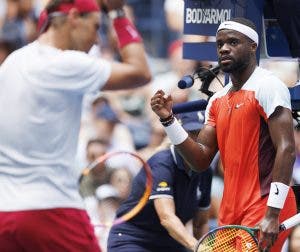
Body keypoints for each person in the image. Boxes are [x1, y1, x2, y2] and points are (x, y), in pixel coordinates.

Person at [0, 0, 151, 251]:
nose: (96, 40)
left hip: (4, 214)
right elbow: (140, 71)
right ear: (73, 18)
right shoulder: (65, 63)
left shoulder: (12, 62)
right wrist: (117, 13)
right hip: (50, 211)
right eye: (94, 27)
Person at [150, 17, 297, 252]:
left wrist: (273, 212)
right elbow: (200, 160)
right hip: (231, 211)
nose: (224, 48)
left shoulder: (268, 86)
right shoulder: (217, 100)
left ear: (252, 46)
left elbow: (287, 148)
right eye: (219, 44)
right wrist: (169, 121)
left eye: (233, 42)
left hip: (265, 204)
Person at [107, 111, 213, 252]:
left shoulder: (205, 171)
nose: (197, 138)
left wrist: (205, 246)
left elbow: (200, 223)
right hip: (132, 239)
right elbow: (167, 218)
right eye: (191, 132)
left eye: (202, 133)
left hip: (170, 243)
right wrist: (198, 247)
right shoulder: (162, 163)